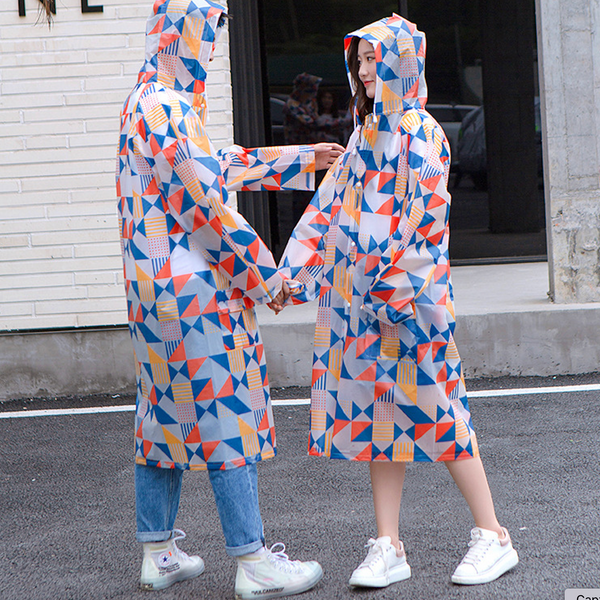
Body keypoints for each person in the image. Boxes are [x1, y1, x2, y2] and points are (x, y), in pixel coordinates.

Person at [274, 13, 519, 589]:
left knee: (441, 407)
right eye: (358, 61)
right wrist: (290, 277)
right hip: (361, 304)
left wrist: (387, 285)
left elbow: (423, 222)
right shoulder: (365, 135)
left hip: (411, 301)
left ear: (401, 64)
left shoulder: (422, 132)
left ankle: (493, 535)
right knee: (378, 418)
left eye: (371, 61)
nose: (362, 72)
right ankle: (388, 544)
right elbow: (327, 208)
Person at [115, 1, 343, 598]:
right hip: (194, 291)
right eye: (208, 35)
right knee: (227, 414)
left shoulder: (148, 101)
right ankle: (253, 561)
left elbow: (209, 170)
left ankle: (158, 551)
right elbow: (208, 207)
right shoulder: (166, 109)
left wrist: (298, 158)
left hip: (154, 292)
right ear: (184, 36)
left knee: (164, 412)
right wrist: (267, 279)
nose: (213, 49)